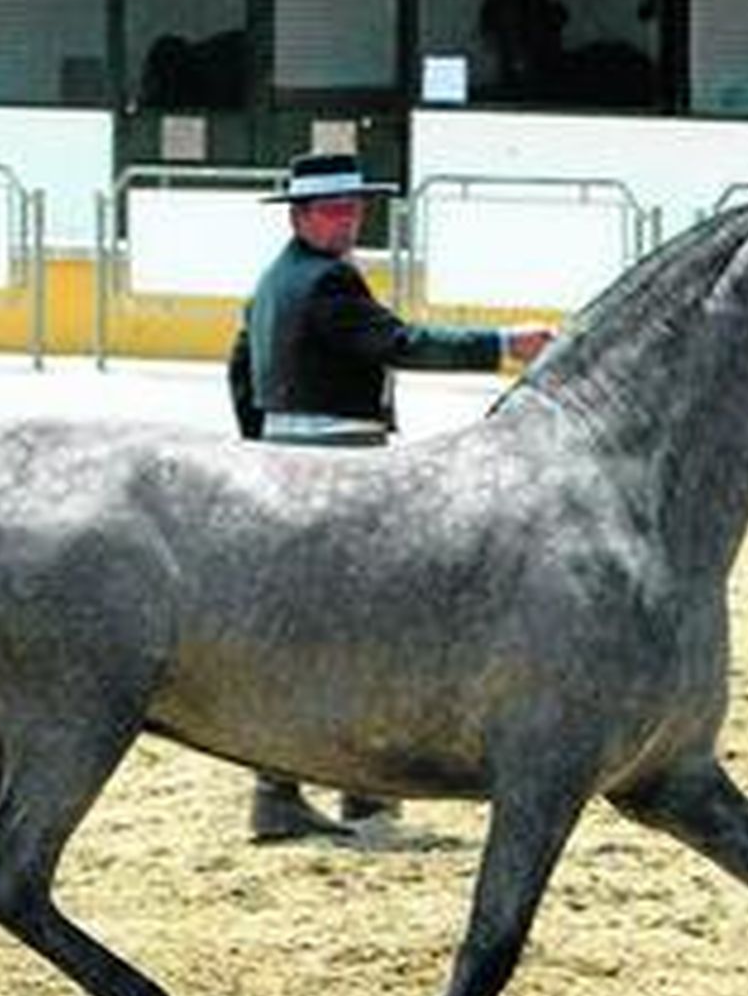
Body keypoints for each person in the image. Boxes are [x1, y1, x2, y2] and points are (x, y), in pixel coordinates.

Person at [227, 151, 556, 843]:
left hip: (285, 457)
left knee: (307, 638)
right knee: (368, 637)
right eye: (335, 209)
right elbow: (400, 343)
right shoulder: (327, 283)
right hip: (341, 460)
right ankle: (369, 805)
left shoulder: (274, 280)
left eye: (354, 207)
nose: (349, 218)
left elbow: (237, 369)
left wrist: (261, 446)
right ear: (302, 214)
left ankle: (278, 794)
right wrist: (503, 343)